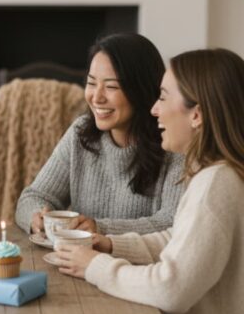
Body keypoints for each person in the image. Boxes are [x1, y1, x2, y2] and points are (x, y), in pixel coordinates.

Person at [55, 48, 244, 314]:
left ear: (197, 113)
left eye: (163, 97)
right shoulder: (219, 172)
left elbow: (172, 290)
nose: (154, 110)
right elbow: (178, 239)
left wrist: (96, 267)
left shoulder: (217, 184)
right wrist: (110, 245)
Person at [16, 33, 185, 236]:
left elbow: (172, 223)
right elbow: (34, 195)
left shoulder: (173, 142)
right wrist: (37, 217)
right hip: (78, 263)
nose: (96, 97)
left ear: (141, 89)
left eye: (111, 86)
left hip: (140, 267)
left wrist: (101, 229)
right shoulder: (81, 133)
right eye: (92, 83)